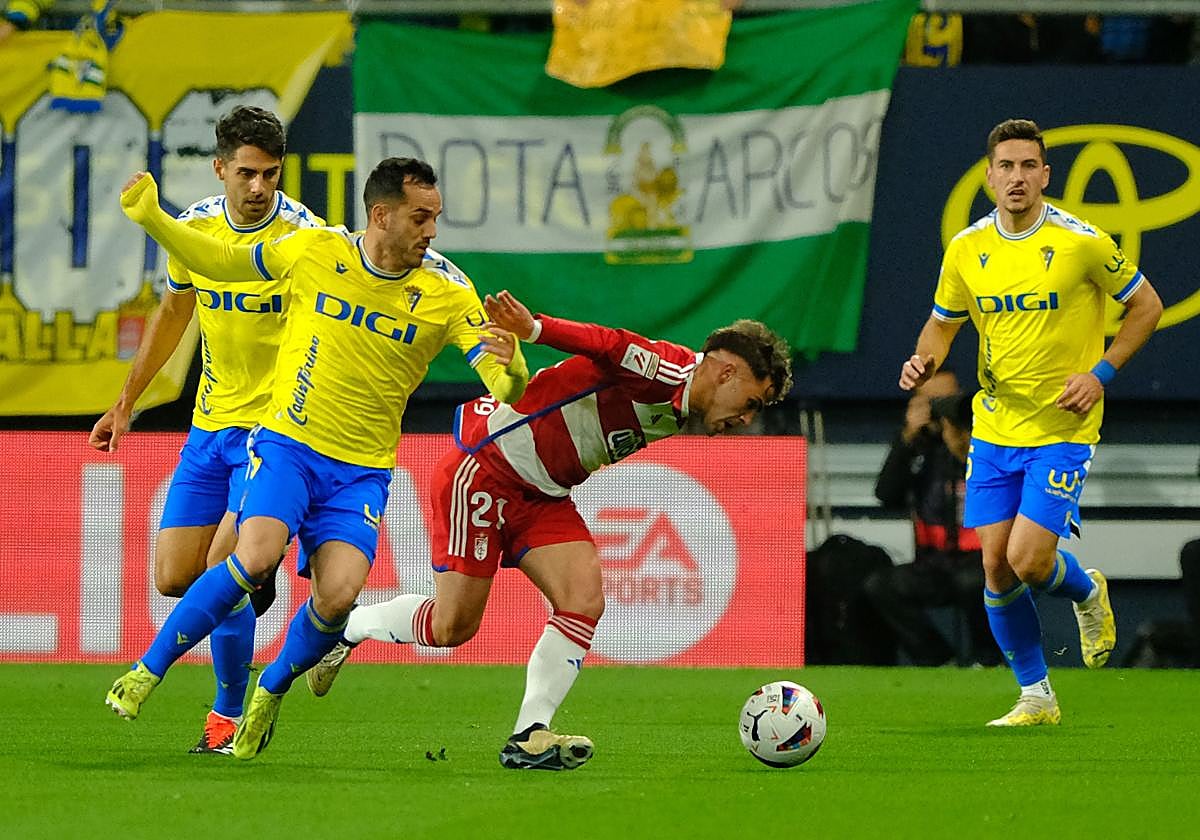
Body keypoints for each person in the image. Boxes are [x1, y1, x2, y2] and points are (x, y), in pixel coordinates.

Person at [104, 157, 530, 760]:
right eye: (420, 217)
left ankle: (270, 690)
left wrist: (513, 365)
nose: (432, 231)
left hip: (361, 471)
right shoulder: (315, 250)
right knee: (250, 558)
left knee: (337, 597)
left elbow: (503, 386)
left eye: (435, 217)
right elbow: (221, 261)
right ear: (381, 215)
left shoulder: (448, 291)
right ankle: (148, 670)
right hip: (288, 445)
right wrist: (153, 217)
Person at [303, 289, 792, 771]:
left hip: (543, 495)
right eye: (751, 401)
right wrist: (535, 329)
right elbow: (607, 342)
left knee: (584, 598)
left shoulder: (687, 406)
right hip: (487, 470)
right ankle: (351, 627)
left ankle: (529, 734)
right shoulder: (666, 370)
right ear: (726, 371)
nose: (747, 418)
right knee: (452, 627)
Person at [899, 118, 1163, 726]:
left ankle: (1087, 591)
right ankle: (1037, 696)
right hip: (995, 427)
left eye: (1027, 166)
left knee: (1029, 561)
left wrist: (1101, 373)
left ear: (1045, 175)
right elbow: (942, 323)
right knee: (994, 565)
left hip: (1063, 428)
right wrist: (924, 361)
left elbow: (1146, 305)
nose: (1016, 177)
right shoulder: (967, 249)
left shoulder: (1081, 242)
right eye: (1006, 167)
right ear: (989, 178)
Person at [89, 105, 322, 754]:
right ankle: (264, 583)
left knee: (224, 564)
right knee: (173, 578)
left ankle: (227, 717)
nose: (259, 187)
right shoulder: (193, 230)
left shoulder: (303, 238)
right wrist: (126, 403)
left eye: (271, 174)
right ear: (220, 168)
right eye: (246, 173)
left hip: (274, 431)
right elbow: (173, 311)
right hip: (210, 426)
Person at [866, 386, 1000, 667]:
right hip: (934, 564)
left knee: (973, 582)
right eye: (932, 402)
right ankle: (938, 660)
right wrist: (906, 439)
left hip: (982, 560)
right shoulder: (921, 452)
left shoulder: (988, 442)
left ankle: (987, 660)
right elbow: (886, 494)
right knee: (881, 585)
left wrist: (964, 444)